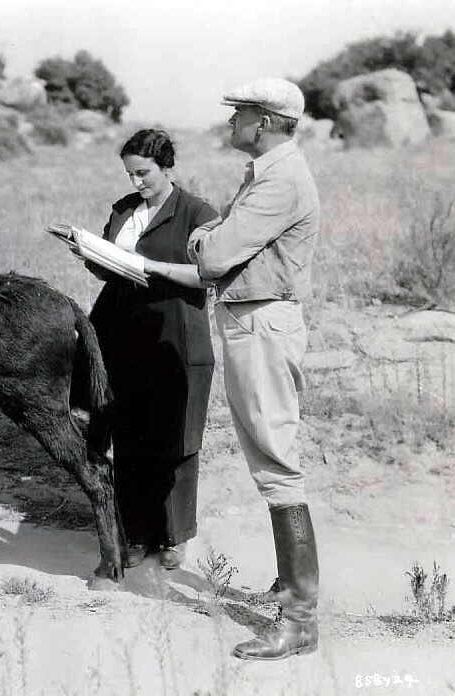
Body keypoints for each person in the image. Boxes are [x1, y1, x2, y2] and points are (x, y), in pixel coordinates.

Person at [188, 78, 320, 660]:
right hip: (254, 319)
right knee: (270, 457)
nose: (231, 123)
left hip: (262, 323)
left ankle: (299, 619)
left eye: (239, 114)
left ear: (264, 121)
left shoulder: (281, 176)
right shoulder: (268, 172)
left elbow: (216, 256)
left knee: (275, 463)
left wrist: (204, 239)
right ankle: (290, 591)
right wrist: (212, 238)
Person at [86, 129, 218, 572]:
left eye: (144, 173)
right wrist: (92, 254)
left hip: (174, 333)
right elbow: (110, 264)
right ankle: (139, 534)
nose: (136, 181)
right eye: (130, 173)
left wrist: (153, 267)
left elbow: (208, 274)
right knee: (129, 436)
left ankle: (175, 537)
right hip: (121, 332)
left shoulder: (198, 212)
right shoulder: (124, 209)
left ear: (167, 168)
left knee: (177, 437)